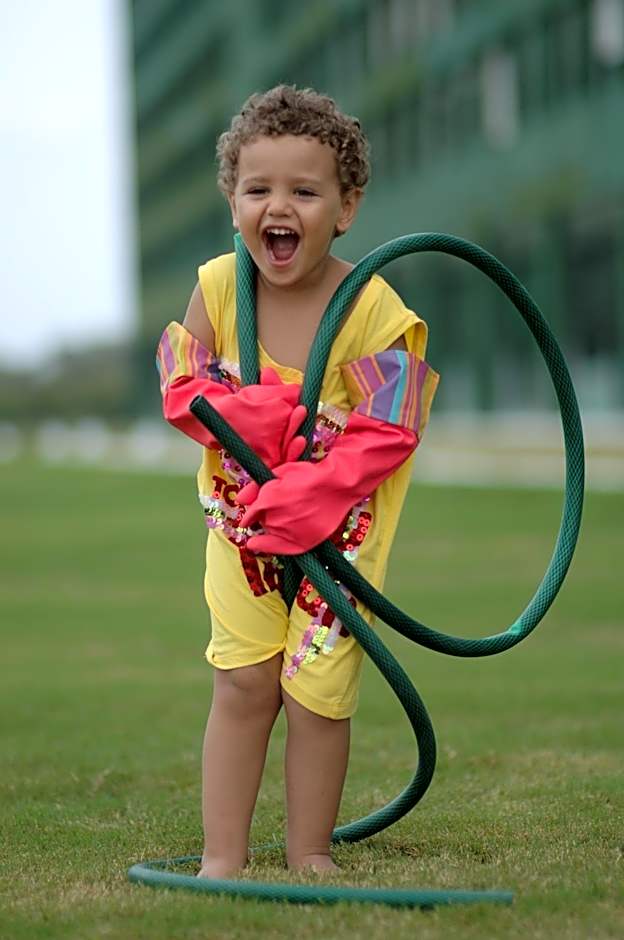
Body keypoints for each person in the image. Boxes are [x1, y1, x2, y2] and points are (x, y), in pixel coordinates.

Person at [156, 85, 439, 878]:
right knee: (245, 682)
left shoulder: (372, 304)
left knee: (315, 692)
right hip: (245, 531)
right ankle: (223, 858)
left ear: (345, 207)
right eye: (258, 190)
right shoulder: (219, 286)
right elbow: (182, 383)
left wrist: (317, 482)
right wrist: (256, 420)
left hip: (336, 540)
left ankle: (310, 851)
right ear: (233, 201)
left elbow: (396, 420)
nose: (278, 206)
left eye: (304, 192)